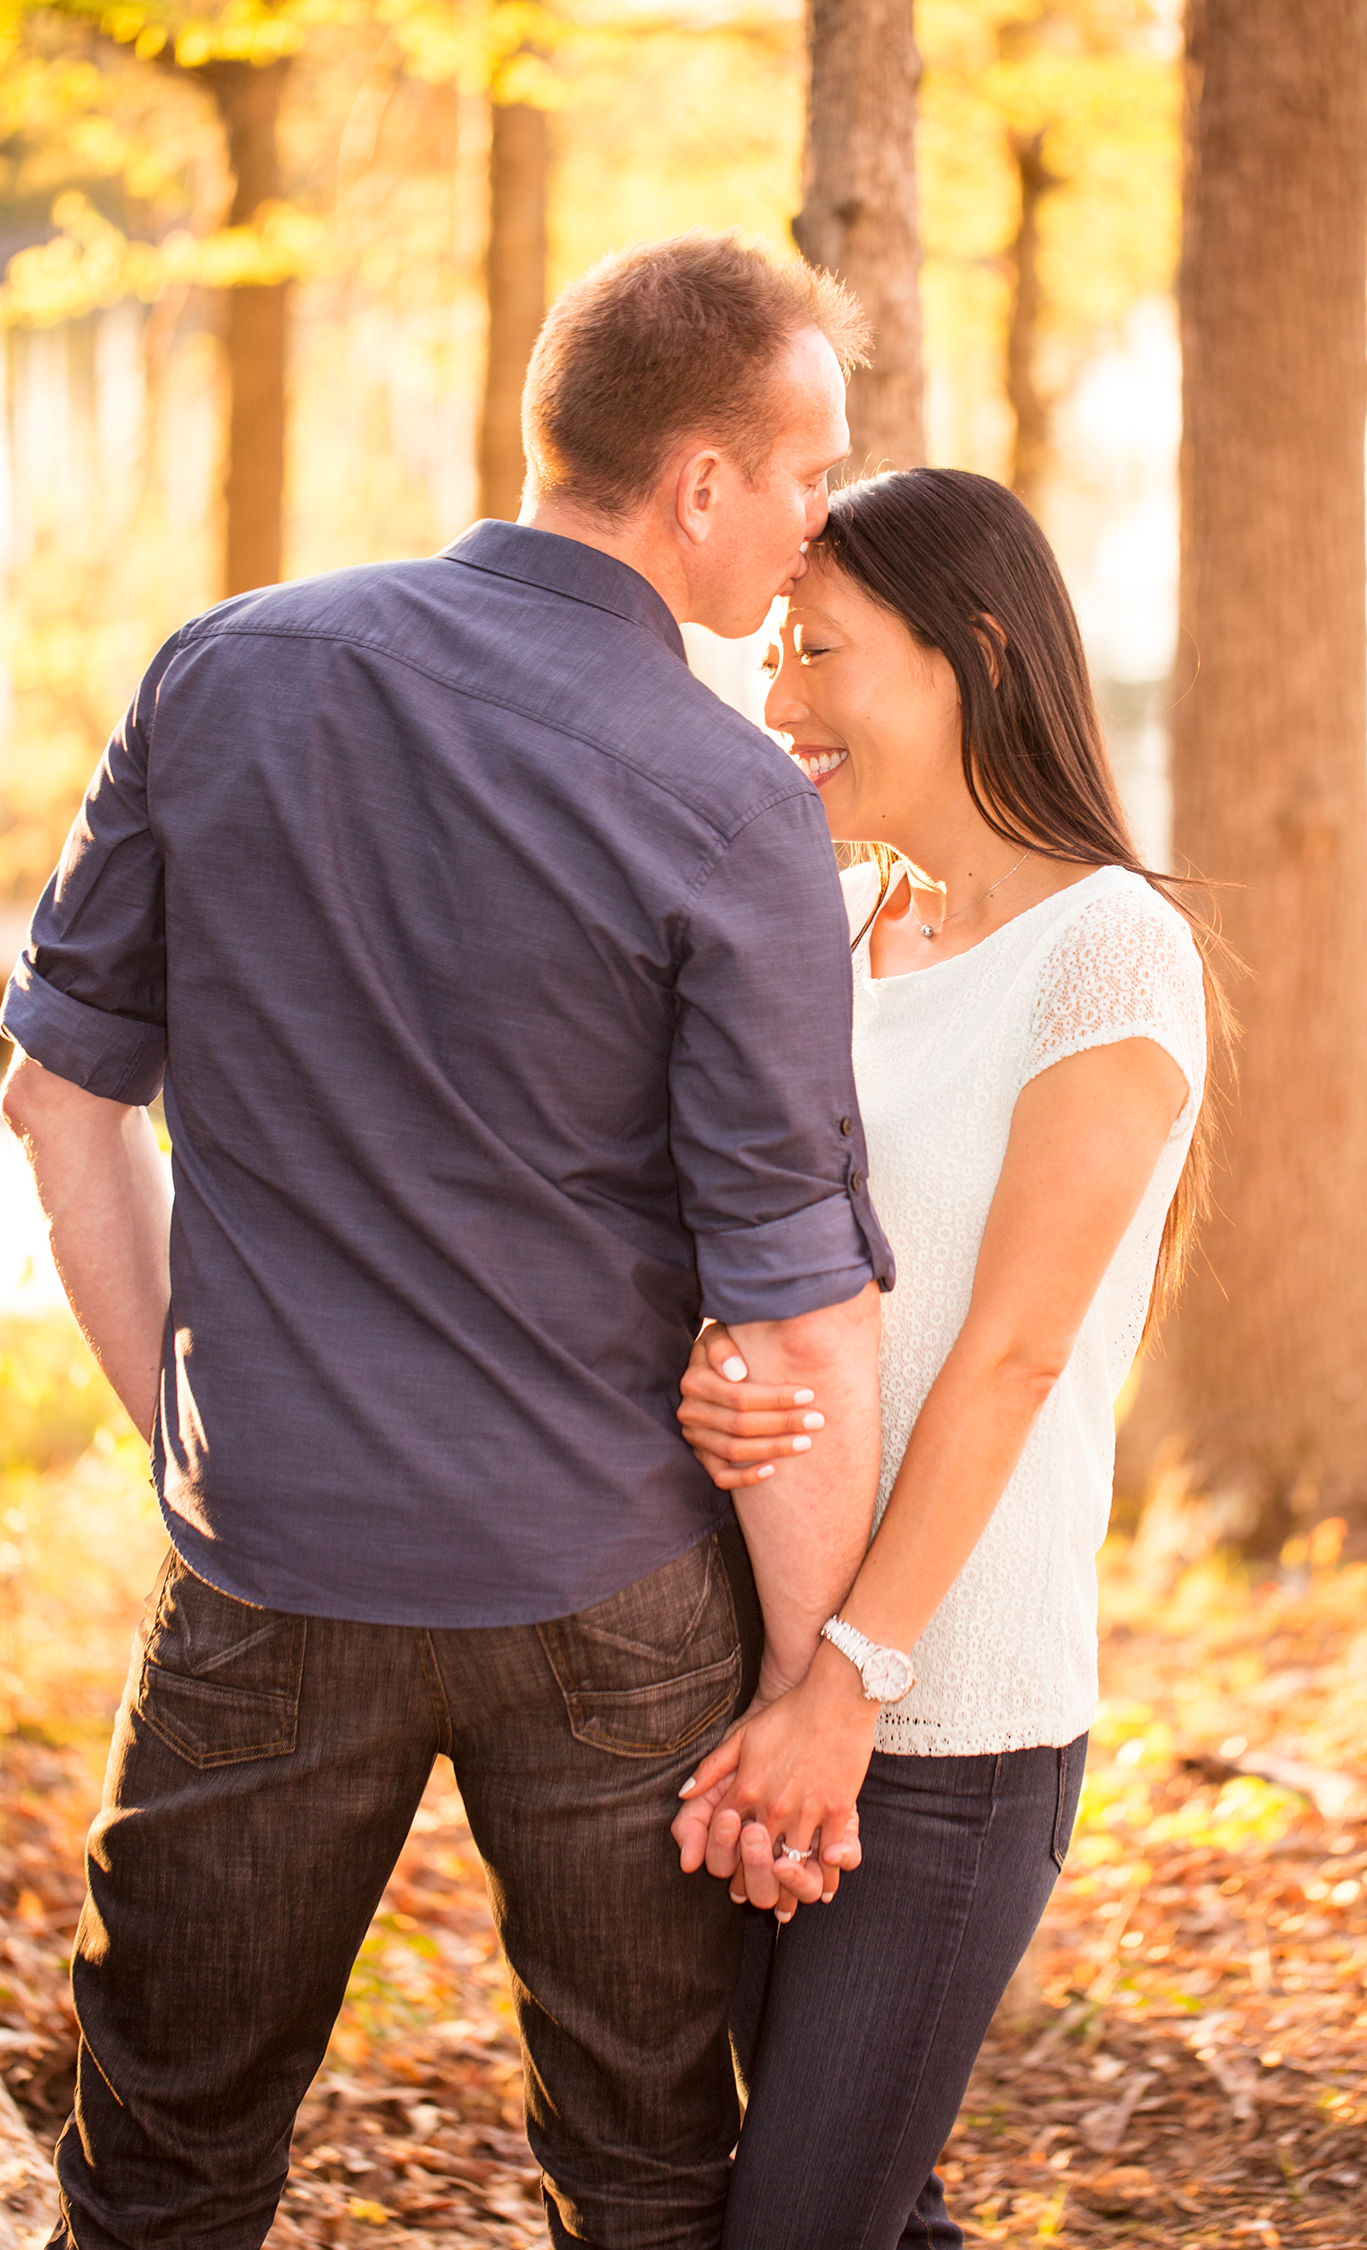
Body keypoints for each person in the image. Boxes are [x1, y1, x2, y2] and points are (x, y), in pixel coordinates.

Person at [0, 233, 896, 2250]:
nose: (819, 520)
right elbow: (796, 1308)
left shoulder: (221, 668)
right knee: (651, 2166)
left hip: (272, 1567)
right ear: (696, 490)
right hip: (612, 1586)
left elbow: (61, 1103)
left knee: (159, 2161)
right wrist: (804, 1682)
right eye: (806, 472)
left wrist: (194, 1438)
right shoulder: (730, 798)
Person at [671, 466, 1231, 2248]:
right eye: (773, 655)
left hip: (949, 1709)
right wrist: (718, 1370)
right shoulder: (842, 930)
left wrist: (847, 1688)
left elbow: (1005, 1354)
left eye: (819, 653)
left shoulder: (1113, 952)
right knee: (863, 2204)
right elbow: (790, 1265)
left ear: (973, 654)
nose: (778, 706)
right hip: (776, 1655)